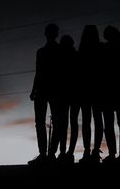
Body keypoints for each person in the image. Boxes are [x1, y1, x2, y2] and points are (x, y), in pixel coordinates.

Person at [28, 23, 63, 165]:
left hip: (50, 90)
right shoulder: (43, 51)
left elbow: (42, 72)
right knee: (43, 123)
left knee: (47, 122)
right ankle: (47, 154)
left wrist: (34, 90)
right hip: (46, 90)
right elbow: (38, 72)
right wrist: (33, 90)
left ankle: (48, 154)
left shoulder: (47, 51)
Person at [101, 25, 120, 164]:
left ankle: (119, 155)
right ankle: (117, 155)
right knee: (117, 123)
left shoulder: (110, 49)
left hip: (116, 90)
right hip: (114, 91)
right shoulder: (119, 48)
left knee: (117, 123)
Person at [78, 25, 104, 164]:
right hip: (94, 89)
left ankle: (90, 151)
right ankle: (92, 151)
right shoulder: (99, 48)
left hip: (88, 89)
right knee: (94, 120)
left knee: (89, 120)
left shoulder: (82, 51)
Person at [59, 34, 81, 164]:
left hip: (70, 93)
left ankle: (67, 152)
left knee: (67, 122)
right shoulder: (74, 55)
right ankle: (66, 152)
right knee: (69, 122)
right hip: (70, 93)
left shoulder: (65, 57)